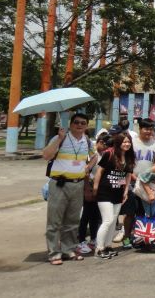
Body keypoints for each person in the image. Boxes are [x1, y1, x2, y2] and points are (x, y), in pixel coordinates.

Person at [42, 113, 96, 265]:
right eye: (76, 122)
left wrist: (88, 167)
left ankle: (68, 249)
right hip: (60, 184)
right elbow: (46, 155)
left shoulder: (87, 141)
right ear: (71, 124)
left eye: (83, 123)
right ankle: (54, 253)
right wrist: (59, 138)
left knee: (72, 220)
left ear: (86, 126)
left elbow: (95, 157)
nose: (79, 125)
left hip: (77, 183)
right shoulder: (61, 138)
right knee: (55, 220)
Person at [93, 132, 134, 259]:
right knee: (108, 220)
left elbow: (127, 176)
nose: (127, 144)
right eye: (124, 142)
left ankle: (108, 246)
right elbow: (99, 171)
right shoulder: (109, 154)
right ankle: (99, 248)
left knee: (113, 221)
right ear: (118, 143)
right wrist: (95, 187)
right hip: (105, 191)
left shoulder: (129, 157)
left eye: (128, 142)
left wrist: (126, 191)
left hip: (118, 193)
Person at [120, 118, 155, 249]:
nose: (148, 131)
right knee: (130, 212)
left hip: (147, 185)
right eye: (146, 128)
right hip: (131, 182)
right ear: (140, 129)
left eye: (150, 129)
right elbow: (126, 162)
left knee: (143, 213)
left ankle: (140, 237)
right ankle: (126, 237)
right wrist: (134, 177)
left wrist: (154, 180)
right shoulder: (132, 143)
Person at [77, 131, 108, 255]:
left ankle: (94, 238)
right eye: (105, 144)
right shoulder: (93, 155)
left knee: (96, 216)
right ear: (99, 142)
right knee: (86, 216)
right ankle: (81, 240)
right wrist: (87, 189)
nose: (106, 147)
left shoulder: (104, 154)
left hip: (98, 190)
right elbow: (86, 172)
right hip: (89, 188)